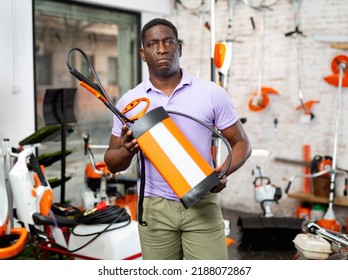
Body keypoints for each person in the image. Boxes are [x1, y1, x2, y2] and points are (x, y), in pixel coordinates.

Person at [104, 18, 251, 260]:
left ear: (179, 48)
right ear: (143, 53)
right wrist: (127, 150)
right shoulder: (129, 103)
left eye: (168, 42)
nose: (161, 49)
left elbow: (242, 143)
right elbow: (112, 161)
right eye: (152, 44)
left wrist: (222, 171)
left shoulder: (211, 93)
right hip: (154, 207)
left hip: (201, 201)